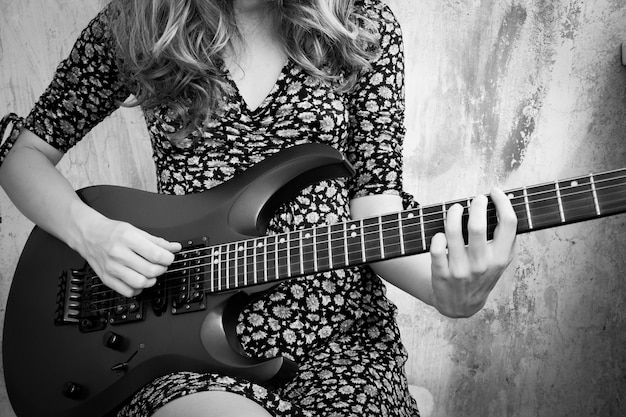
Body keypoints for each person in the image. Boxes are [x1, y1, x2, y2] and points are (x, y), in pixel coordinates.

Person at [0, 0, 517, 416]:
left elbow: (373, 209)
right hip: (175, 343)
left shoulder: (360, 25)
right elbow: (24, 156)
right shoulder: (137, 21)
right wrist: (92, 233)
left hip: (333, 338)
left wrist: (449, 295)